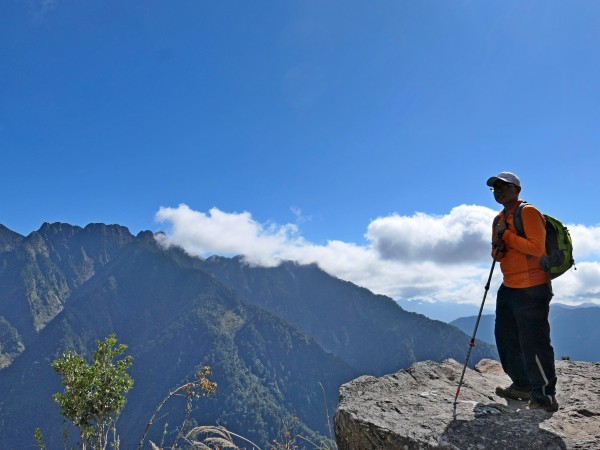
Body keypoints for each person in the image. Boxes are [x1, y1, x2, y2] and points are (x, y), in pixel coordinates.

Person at [487, 171, 558, 412]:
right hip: (509, 287)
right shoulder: (498, 219)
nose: (499, 191)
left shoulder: (528, 212)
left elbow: (537, 248)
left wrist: (506, 236)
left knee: (534, 342)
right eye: (495, 188)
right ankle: (522, 384)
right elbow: (496, 256)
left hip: (533, 287)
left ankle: (544, 394)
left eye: (504, 187)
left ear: (517, 189)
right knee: (506, 339)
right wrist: (499, 247)